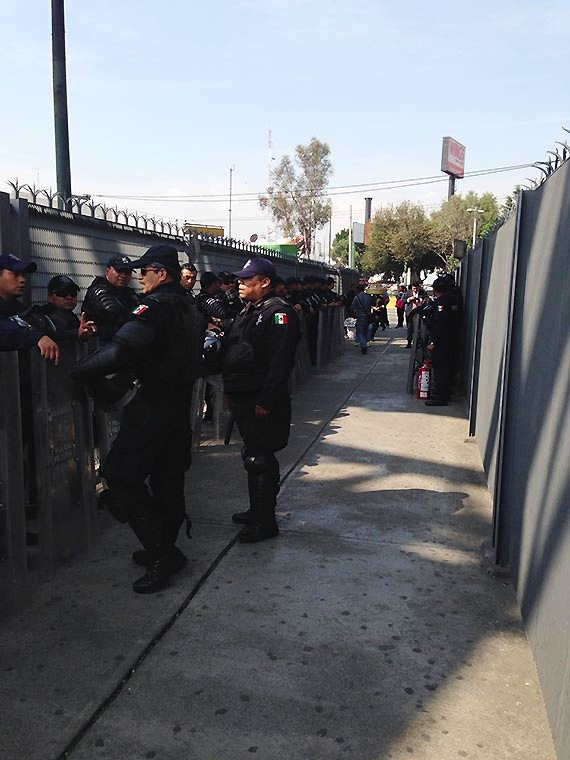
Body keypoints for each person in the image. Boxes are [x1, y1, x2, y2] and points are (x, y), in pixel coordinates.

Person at [71, 245, 199, 594]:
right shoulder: (189, 305)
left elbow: (122, 349)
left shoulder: (155, 306)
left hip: (153, 406)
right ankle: (166, 547)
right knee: (168, 480)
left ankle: (163, 555)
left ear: (161, 273)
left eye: (145, 272)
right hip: (178, 406)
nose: (141, 278)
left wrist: (78, 373)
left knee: (120, 479)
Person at [222, 257, 299, 543]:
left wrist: (266, 399)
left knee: (260, 458)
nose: (239, 284)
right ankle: (258, 510)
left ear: (264, 282)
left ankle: (265, 522)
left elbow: (280, 362)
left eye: (246, 280)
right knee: (253, 455)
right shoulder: (250, 310)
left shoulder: (279, 313)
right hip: (245, 395)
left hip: (263, 399)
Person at [0, 253, 59, 361]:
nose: (22, 280)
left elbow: (43, 330)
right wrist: (35, 337)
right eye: (16, 274)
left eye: (23, 275)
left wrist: (78, 334)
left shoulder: (19, 308)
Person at [82, 255, 139, 341]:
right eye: (119, 271)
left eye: (127, 272)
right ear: (107, 271)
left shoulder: (127, 292)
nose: (123, 275)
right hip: (99, 345)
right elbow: (118, 315)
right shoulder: (99, 290)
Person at [25, 275, 97, 343]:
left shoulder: (72, 317)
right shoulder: (40, 316)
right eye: (62, 293)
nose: (69, 297)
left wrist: (91, 330)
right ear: (50, 298)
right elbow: (54, 334)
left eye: (73, 293)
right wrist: (77, 333)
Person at [423, 277, 455, 407]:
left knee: (440, 369)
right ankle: (445, 394)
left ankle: (440, 398)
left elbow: (440, 325)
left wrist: (434, 342)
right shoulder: (453, 301)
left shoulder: (441, 304)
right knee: (447, 368)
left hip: (441, 343)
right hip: (451, 341)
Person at [350, 284, 373, 354]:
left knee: (360, 332)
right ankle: (365, 342)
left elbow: (352, 308)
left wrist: (353, 313)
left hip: (360, 316)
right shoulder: (368, 297)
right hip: (367, 316)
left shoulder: (356, 298)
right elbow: (372, 304)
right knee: (365, 331)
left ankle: (363, 345)